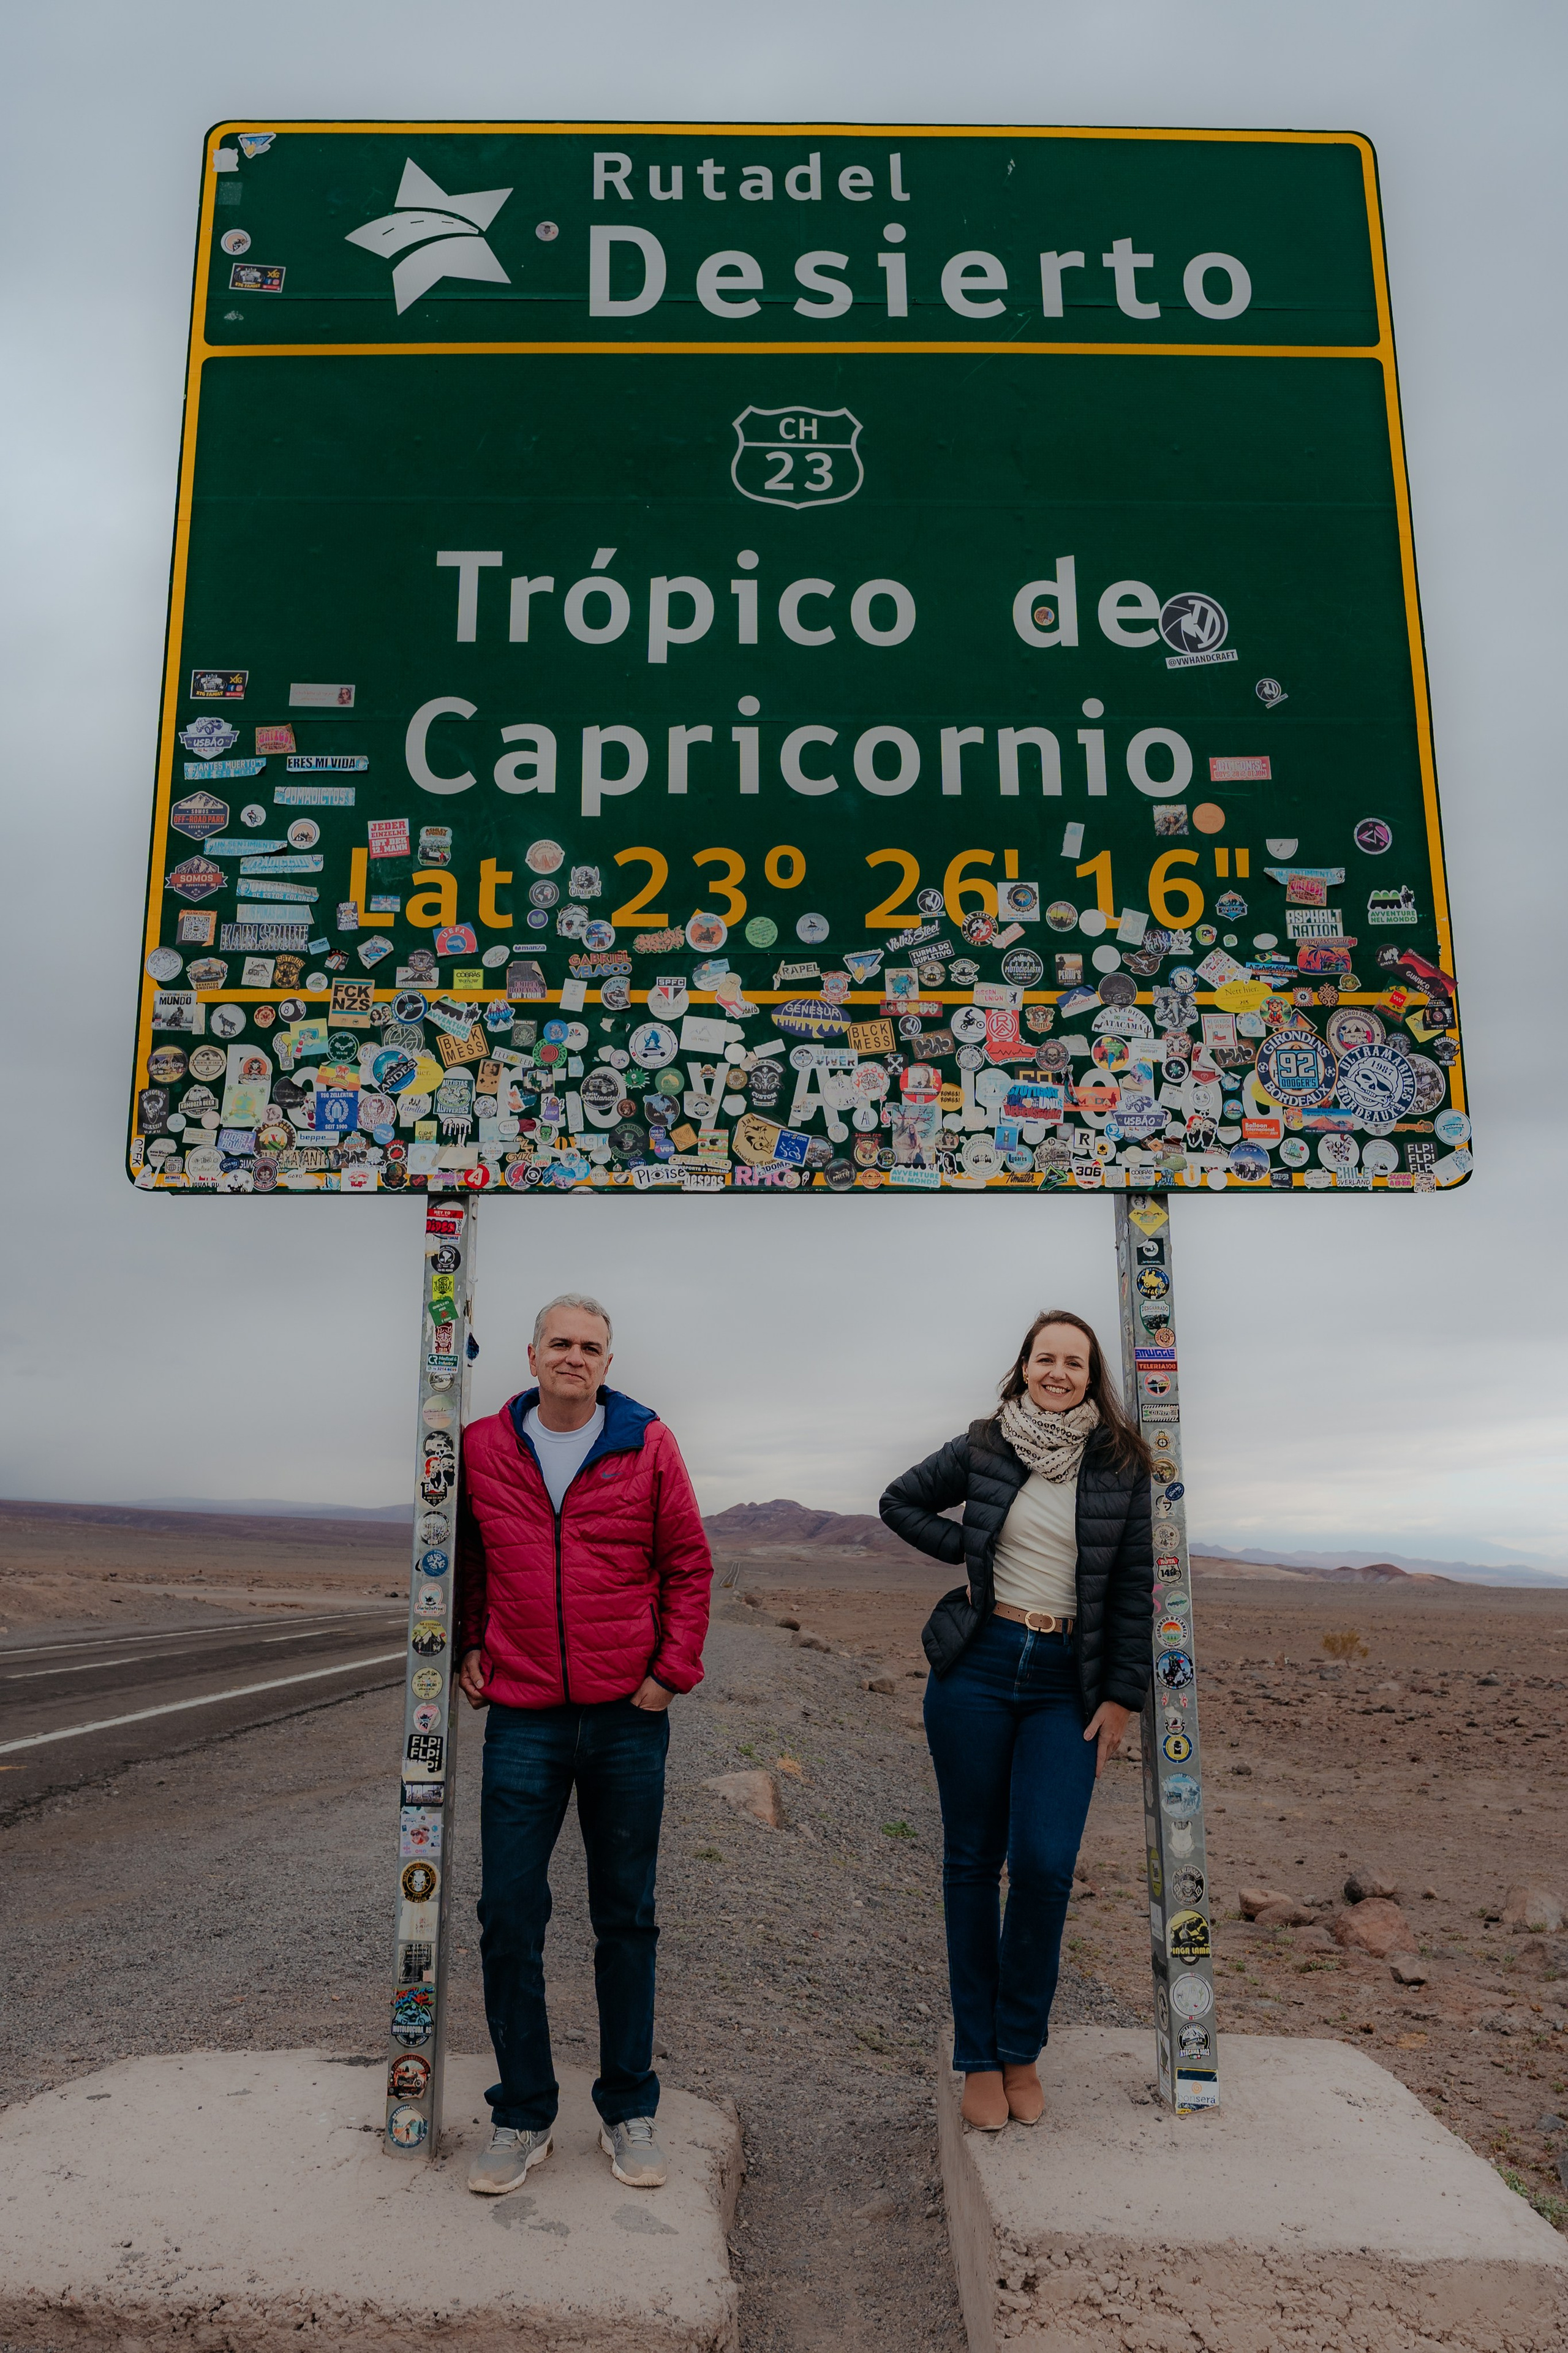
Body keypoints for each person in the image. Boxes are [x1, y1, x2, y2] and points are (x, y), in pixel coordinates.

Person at [455, 1293, 711, 2196]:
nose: (574, 1356)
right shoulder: (483, 1447)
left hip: (626, 1717)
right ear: (531, 1356)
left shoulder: (649, 1444)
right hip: (524, 1715)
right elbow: (465, 1557)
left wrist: (670, 1671)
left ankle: (628, 2107)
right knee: (508, 1914)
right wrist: (470, 1638)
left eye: (591, 1347)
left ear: (608, 1362)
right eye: (559, 1343)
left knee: (626, 1917)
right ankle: (523, 2112)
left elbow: (688, 1563)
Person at [879, 1309, 1152, 2132]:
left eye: (1074, 1362)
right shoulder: (987, 1443)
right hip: (980, 1665)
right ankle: (979, 2056)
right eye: (1045, 1359)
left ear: (1092, 1376)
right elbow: (899, 1501)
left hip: (1067, 1680)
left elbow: (1133, 1583)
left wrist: (1122, 1696)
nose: (1058, 1373)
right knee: (972, 1862)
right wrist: (972, 1553)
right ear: (1024, 1366)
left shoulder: (1120, 1462)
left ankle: (1021, 2047)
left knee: (1043, 1864)